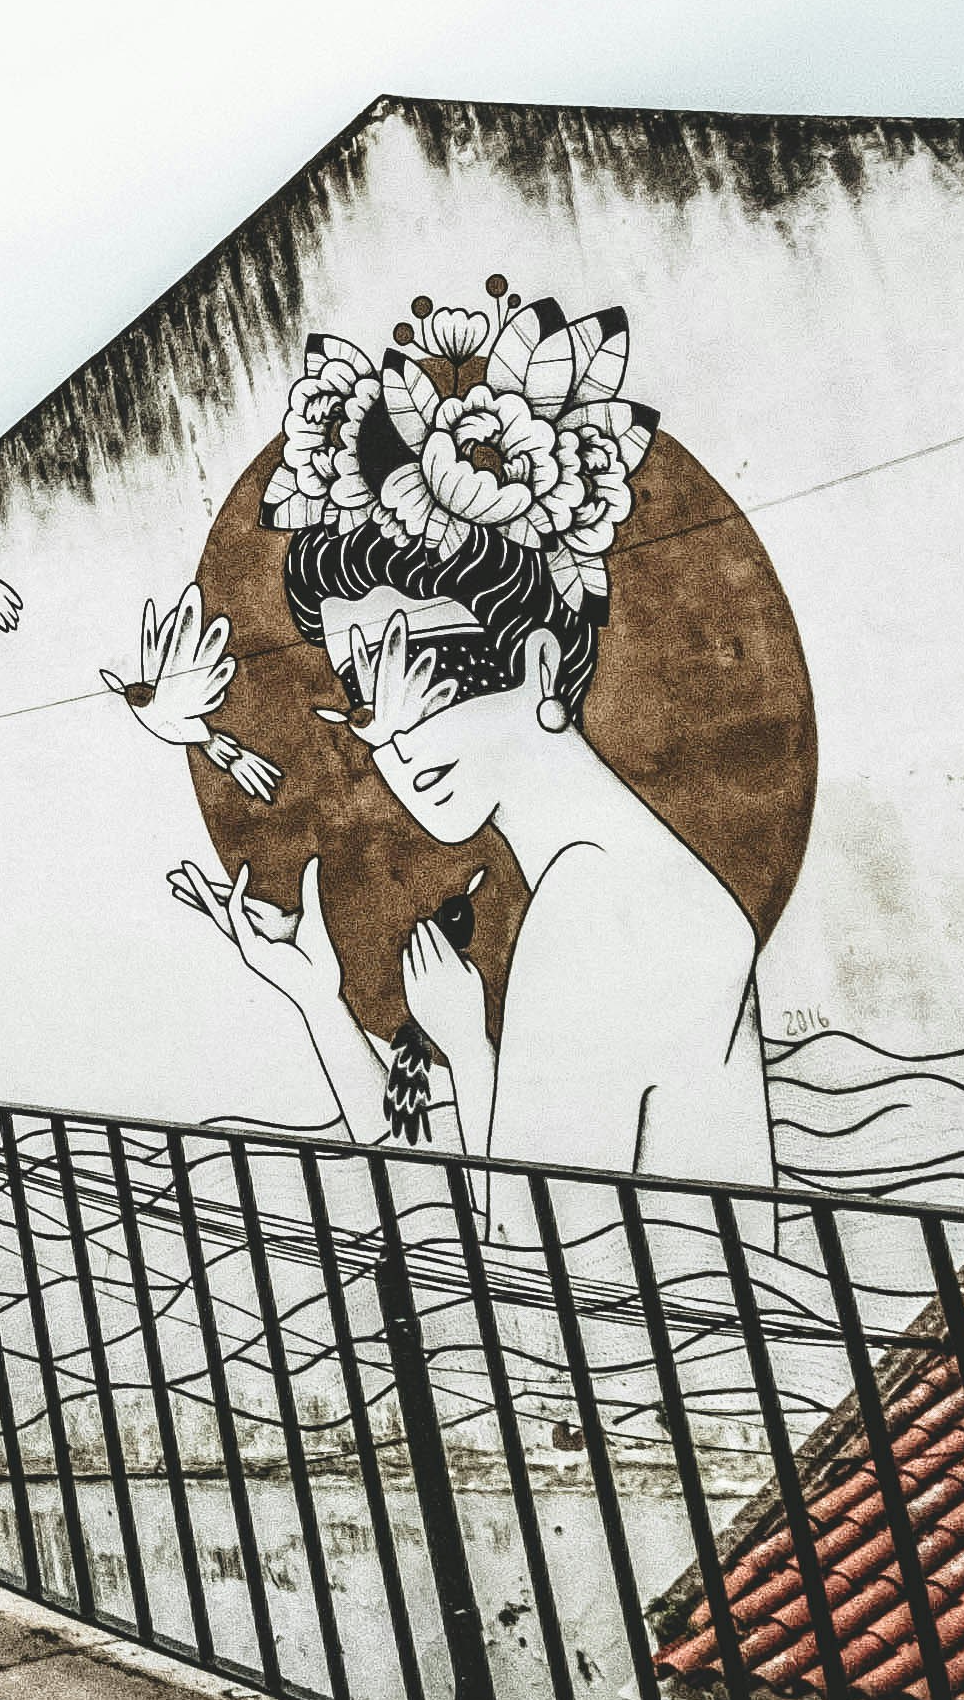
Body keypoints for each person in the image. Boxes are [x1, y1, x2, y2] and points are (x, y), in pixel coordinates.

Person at [271, 289, 771, 1183]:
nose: (394, 741)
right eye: (361, 694)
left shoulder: (595, 912)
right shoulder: (620, 874)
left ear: (541, 670)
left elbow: (525, 1273)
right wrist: (323, 1003)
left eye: (428, 675)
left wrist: (469, 1053)